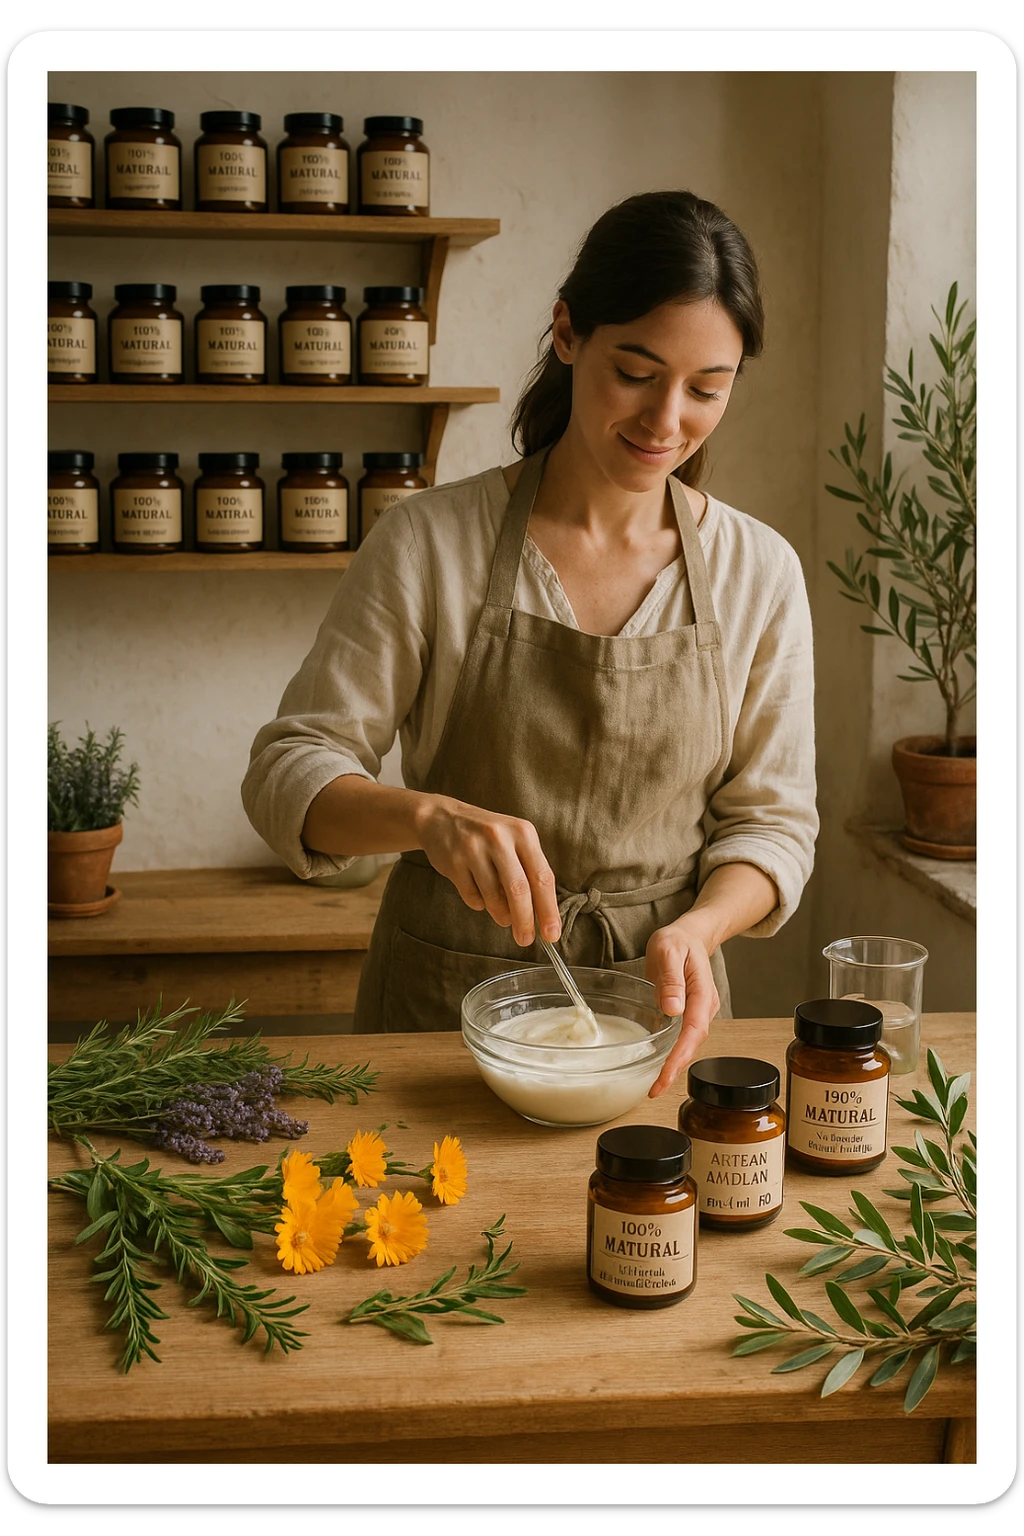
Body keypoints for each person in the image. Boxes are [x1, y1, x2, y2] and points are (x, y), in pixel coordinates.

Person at [242, 189, 818, 1096]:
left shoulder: (760, 571)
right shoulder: (432, 542)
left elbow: (773, 823)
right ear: (567, 333)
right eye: (636, 370)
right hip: (440, 1014)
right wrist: (427, 819)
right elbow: (291, 769)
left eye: (708, 388)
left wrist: (701, 927)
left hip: (658, 1026)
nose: (668, 420)